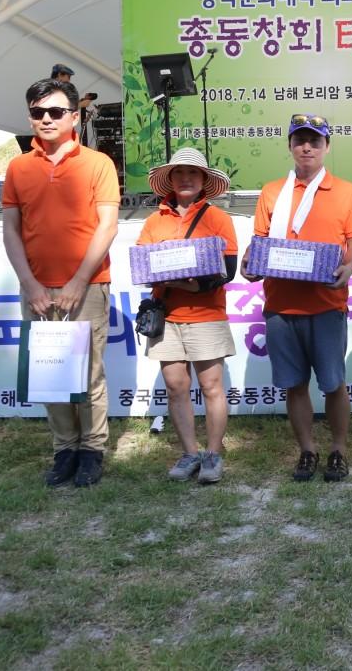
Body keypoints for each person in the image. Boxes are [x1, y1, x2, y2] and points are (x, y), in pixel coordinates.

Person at [2, 78, 119, 487]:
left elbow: (107, 226)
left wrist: (78, 281)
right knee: (48, 373)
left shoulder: (98, 163)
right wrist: (29, 284)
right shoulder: (18, 167)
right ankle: (64, 448)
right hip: (37, 289)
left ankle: (92, 449)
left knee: (88, 374)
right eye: (38, 112)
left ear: (74, 116)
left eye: (55, 111)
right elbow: (11, 230)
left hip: (87, 286)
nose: (47, 119)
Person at [242, 115, 352, 482]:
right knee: (294, 384)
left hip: (327, 305)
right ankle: (307, 451)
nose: (307, 147)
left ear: (327, 146)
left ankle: (339, 450)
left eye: (315, 141)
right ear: (290, 146)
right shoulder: (272, 192)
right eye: (300, 141)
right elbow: (259, 242)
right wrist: (250, 262)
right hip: (281, 306)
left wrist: (349, 268)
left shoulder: (346, 191)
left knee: (333, 384)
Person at [136, 148, 238, 484]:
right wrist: (176, 279)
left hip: (207, 314)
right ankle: (190, 453)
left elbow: (227, 270)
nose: (186, 178)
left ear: (204, 180)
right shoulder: (154, 221)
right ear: (170, 179)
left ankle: (213, 454)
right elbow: (143, 266)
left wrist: (191, 284)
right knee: (175, 386)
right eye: (179, 172)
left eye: (193, 173)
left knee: (211, 386)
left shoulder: (218, 218)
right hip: (167, 317)